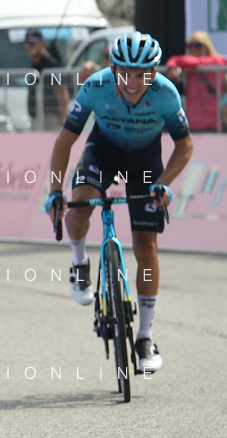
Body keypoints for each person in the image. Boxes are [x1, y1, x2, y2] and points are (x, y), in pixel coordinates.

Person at [45, 31, 194, 375]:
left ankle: (145, 337)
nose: (132, 82)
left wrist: (163, 182)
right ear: (112, 68)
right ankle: (79, 262)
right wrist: (55, 190)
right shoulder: (95, 86)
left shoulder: (166, 94)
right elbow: (65, 141)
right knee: (79, 205)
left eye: (142, 75)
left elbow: (185, 145)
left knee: (146, 249)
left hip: (145, 160)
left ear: (154, 72)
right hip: (103, 150)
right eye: (124, 73)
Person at [163, 31, 227, 132]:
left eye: (198, 45)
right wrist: (172, 67)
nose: (193, 49)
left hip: (214, 123)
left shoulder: (218, 61)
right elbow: (173, 60)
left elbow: (178, 60)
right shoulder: (187, 65)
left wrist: (178, 63)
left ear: (206, 46)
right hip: (193, 123)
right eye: (190, 46)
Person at [23, 28, 69, 131]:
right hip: (36, 117)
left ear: (42, 43)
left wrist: (63, 122)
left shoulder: (51, 65)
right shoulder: (34, 64)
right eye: (27, 43)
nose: (29, 46)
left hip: (50, 118)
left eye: (33, 43)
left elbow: (62, 93)